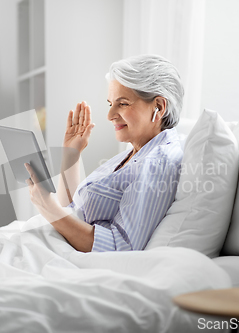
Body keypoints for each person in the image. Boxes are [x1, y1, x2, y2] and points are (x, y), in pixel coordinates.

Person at [25, 54, 184, 253]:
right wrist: (72, 154)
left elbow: (121, 247)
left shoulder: (157, 162)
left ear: (159, 107)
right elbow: (72, 207)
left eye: (123, 103)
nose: (109, 115)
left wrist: (48, 209)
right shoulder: (135, 152)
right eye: (111, 104)